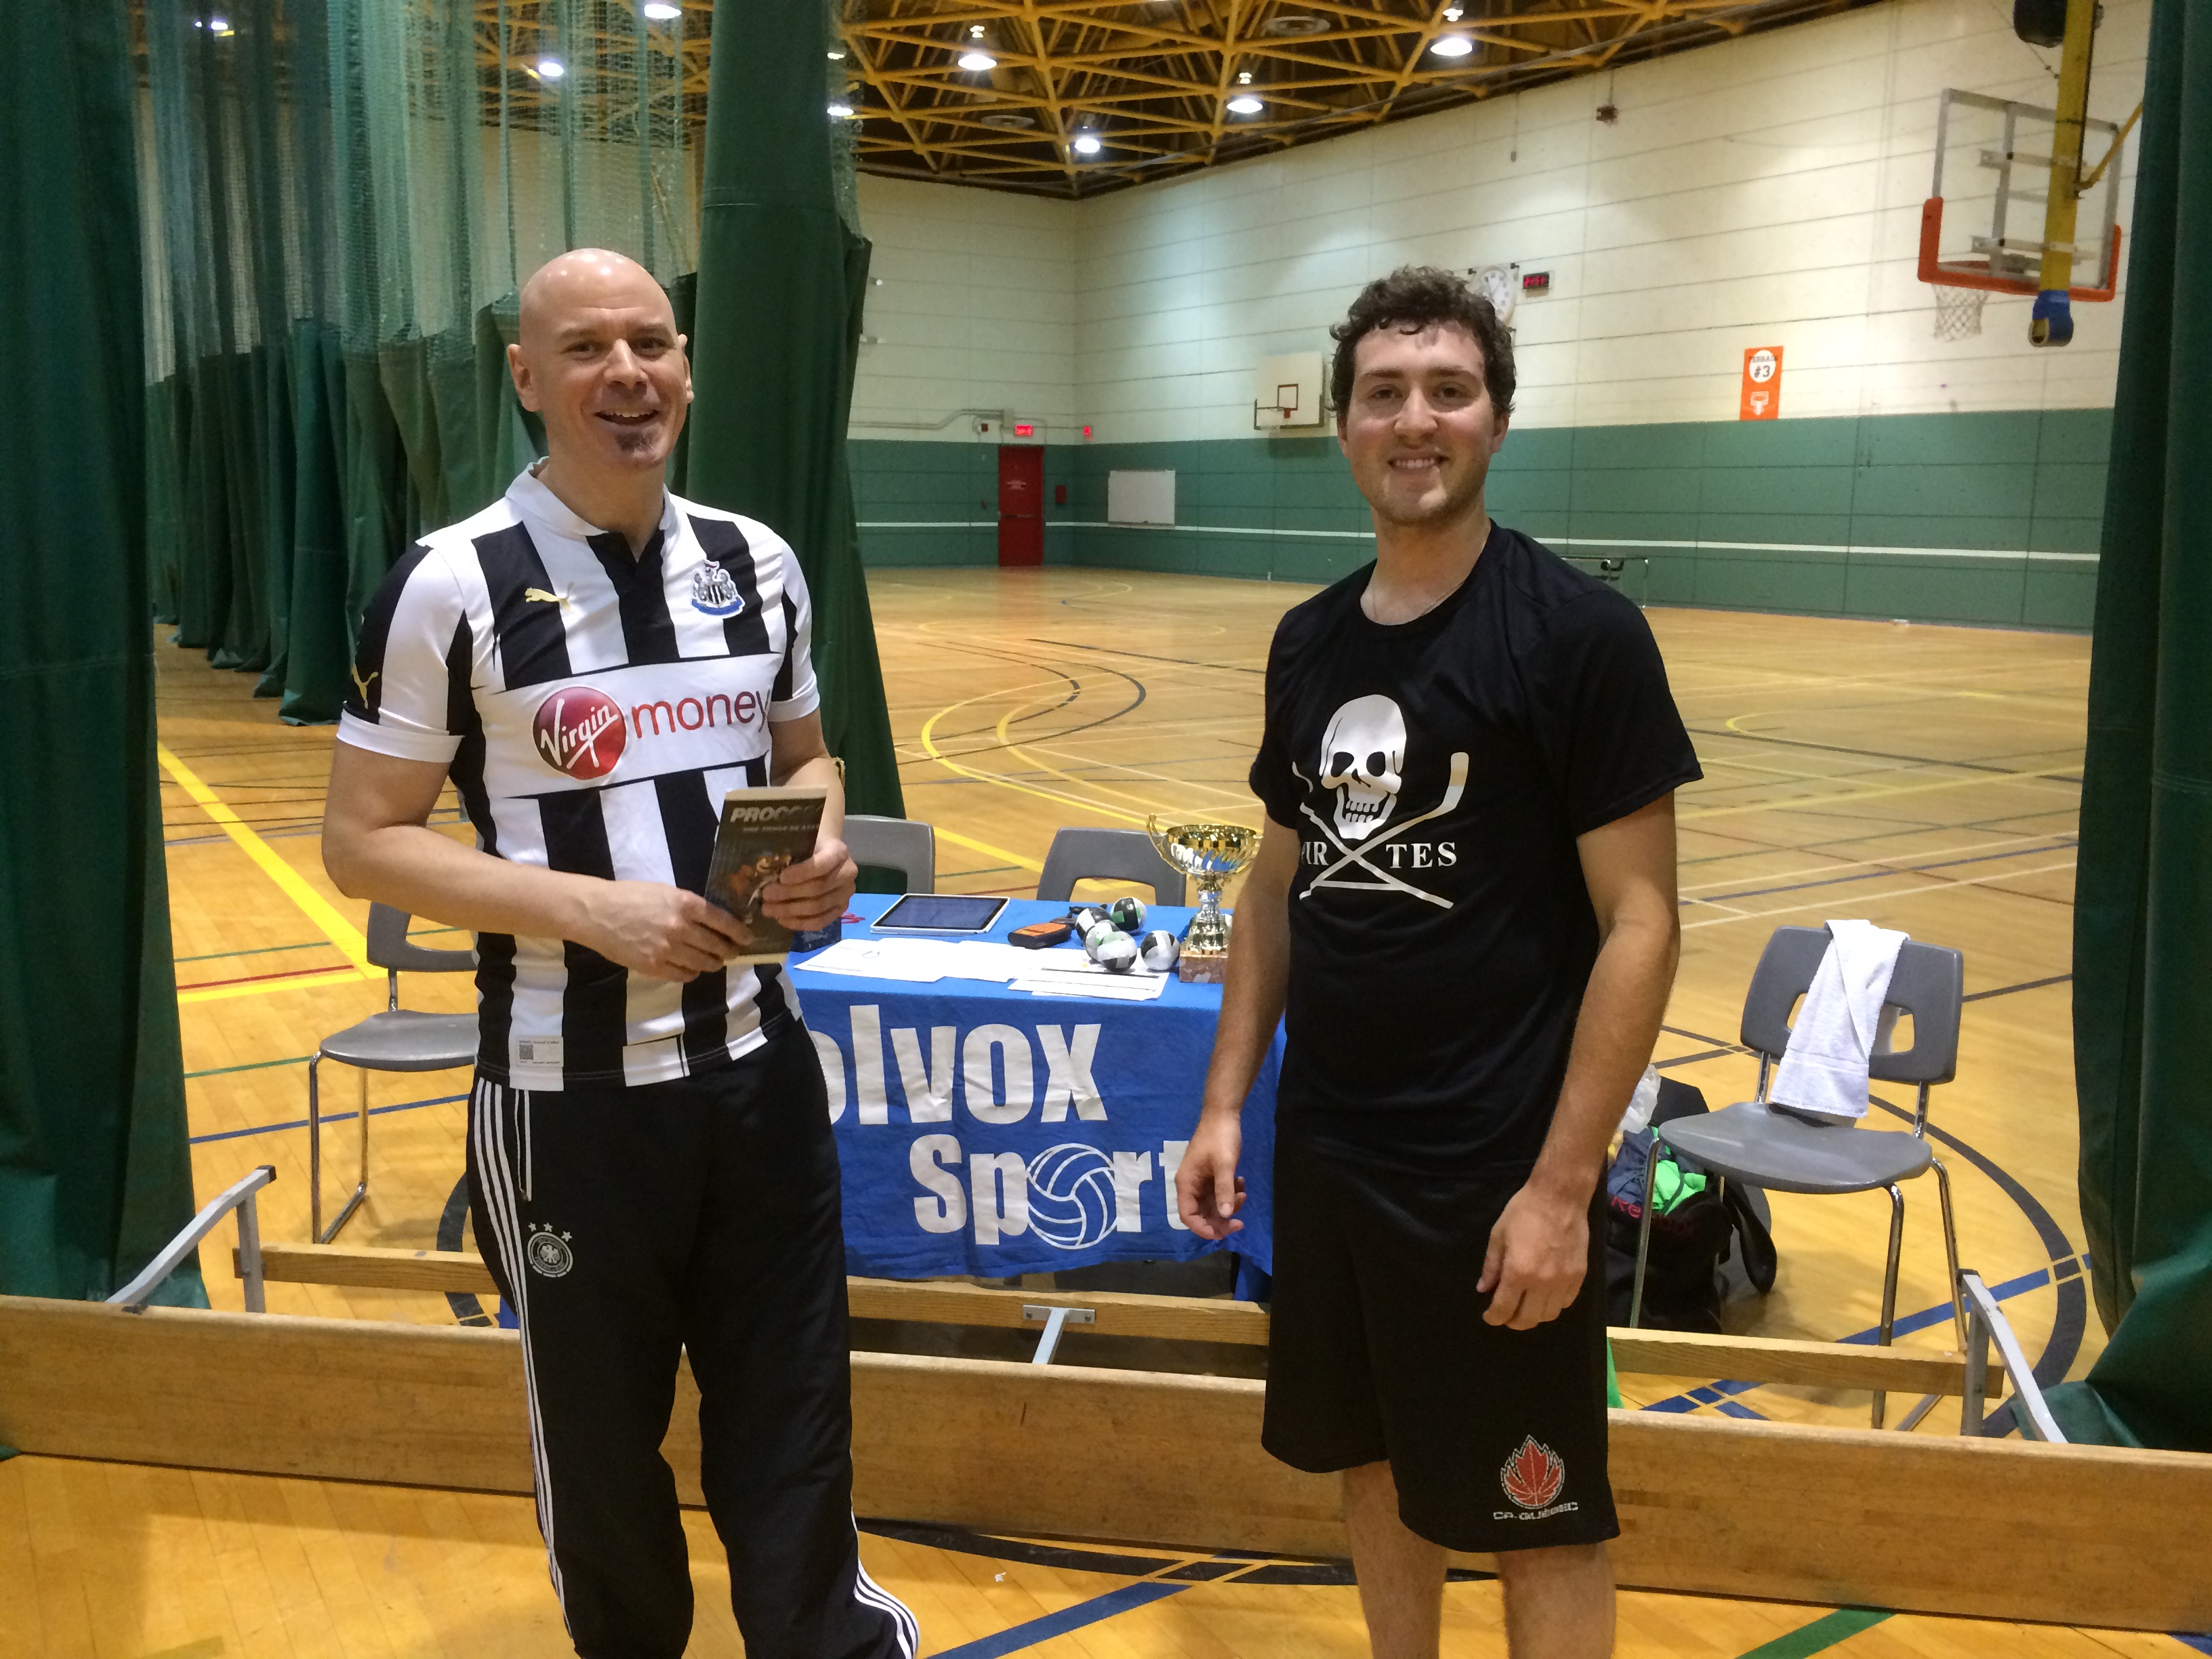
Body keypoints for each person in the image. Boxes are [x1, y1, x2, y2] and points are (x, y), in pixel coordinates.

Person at [321, 249, 916, 1659]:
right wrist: (594, 911)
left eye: (651, 342)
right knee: (600, 1448)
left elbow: (809, 758)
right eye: (586, 348)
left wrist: (825, 845)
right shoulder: (449, 584)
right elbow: (363, 843)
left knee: (793, 1410)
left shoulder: (756, 563)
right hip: (567, 1095)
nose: (627, 373)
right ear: (526, 379)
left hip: (761, 1074)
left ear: (688, 369)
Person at [1175, 266, 1700, 1659]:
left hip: (1495, 1169)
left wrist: (1563, 1189)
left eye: (1449, 391)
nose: (1416, 419)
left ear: (1498, 420)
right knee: (1373, 1463)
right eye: (1385, 393)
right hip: (1331, 1152)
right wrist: (1227, 1102)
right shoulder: (1309, 642)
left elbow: (1643, 925)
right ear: (1344, 426)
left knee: (1541, 1515)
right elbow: (1276, 888)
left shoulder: (1579, 636)